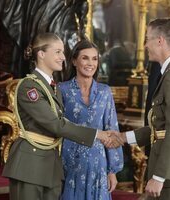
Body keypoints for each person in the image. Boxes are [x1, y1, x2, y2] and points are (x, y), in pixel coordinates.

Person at [2, 33, 122, 200]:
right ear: (41, 54)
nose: (62, 57)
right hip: (31, 165)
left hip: (52, 165)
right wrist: (98, 134)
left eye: (63, 52)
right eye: (58, 52)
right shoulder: (30, 87)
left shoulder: (53, 88)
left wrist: (112, 169)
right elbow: (56, 124)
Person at [108, 18, 170, 200]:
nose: (145, 45)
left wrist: (159, 176)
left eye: (147, 39)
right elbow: (158, 128)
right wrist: (122, 137)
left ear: (160, 41)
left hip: (168, 176)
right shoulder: (166, 74)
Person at [58, 40, 123, 200]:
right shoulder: (61, 89)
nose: (90, 63)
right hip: (69, 162)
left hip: (98, 163)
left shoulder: (105, 92)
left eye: (94, 59)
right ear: (74, 61)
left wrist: (112, 170)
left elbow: (112, 129)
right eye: (85, 58)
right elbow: (57, 127)